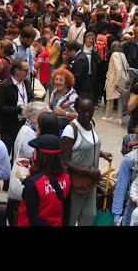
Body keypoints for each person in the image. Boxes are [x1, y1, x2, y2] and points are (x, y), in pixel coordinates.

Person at [61, 96, 112, 225]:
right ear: (77, 110)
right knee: (72, 218)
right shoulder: (70, 129)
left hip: (91, 182)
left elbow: (88, 145)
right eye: (84, 111)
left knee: (90, 216)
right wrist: (88, 172)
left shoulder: (91, 124)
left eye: (91, 111)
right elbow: (65, 161)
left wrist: (101, 153)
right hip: (77, 183)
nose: (88, 114)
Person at [7, 102, 51, 225]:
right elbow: (31, 156)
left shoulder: (28, 129)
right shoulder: (29, 132)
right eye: (43, 115)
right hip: (24, 180)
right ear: (33, 116)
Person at [14, 133, 71, 226]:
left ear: (40, 155)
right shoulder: (67, 178)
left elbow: (34, 219)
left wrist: (23, 178)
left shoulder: (33, 184)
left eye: (35, 150)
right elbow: (67, 212)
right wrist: (31, 163)